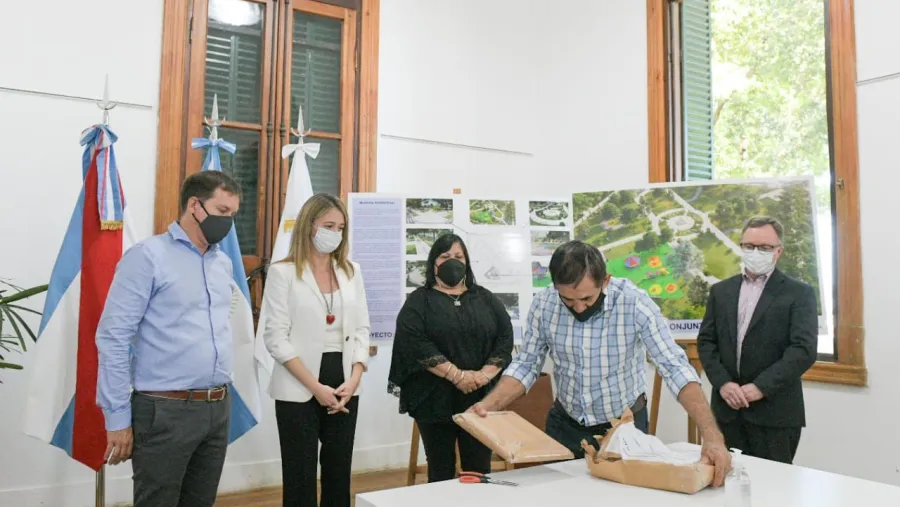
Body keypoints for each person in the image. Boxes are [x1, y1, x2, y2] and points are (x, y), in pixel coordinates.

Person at [470, 240, 733, 486]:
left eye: (587, 298)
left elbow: (674, 367)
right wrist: (488, 406)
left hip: (624, 429)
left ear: (605, 281)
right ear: (555, 287)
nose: (579, 308)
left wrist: (711, 436)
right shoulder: (544, 305)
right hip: (566, 425)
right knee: (561, 496)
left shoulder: (634, 303)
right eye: (568, 300)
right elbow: (526, 365)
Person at [96, 171, 242, 507]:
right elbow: (113, 337)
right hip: (165, 409)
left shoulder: (222, 264)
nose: (228, 223)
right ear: (194, 205)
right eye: (222, 212)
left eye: (233, 215)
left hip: (217, 407)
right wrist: (117, 418)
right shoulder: (147, 257)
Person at [261, 193, 370, 507]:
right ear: (309, 226)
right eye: (328, 225)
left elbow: (362, 329)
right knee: (299, 474)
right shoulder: (283, 273)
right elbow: (275, 338)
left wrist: (355, 377)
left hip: (345, 380)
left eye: (340, 227)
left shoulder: (352, 272)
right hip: (300, 382)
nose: (334, 233)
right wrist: (315, 387)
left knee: (339, 470)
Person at [388, 233, 514, 483]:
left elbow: (504, 338)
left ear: (467, 261)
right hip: (434, 399)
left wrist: (482, 375)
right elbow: (414, 343)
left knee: (479, 469)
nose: (452, 261)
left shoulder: (486, 298)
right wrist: (457, 376)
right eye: (445, 256)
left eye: (458, 256)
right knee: (441, 469)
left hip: (480, 399)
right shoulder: (418, 301)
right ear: (433, 263)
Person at [697, 216, 817, 464]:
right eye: (749, 246)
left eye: (764, 248)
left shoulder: (799, 293)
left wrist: (759, 388)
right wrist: (723, 384)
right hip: (726, 411)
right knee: (722, 487)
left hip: (774, 414)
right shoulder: (721, 291)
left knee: (773, 492)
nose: (755, 252)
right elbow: (707, 342)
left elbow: (803, 350)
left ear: (778, 251)